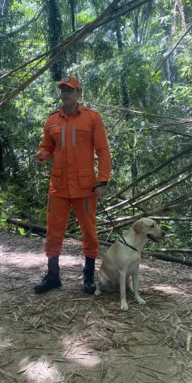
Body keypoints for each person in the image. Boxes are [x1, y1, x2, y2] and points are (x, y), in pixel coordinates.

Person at [33, 75, 111, 294]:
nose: (65, 93)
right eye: (63, 90)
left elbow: (103, 151)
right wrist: (42, 155)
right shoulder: (51, 120)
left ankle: (88, 277)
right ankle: (53, 276)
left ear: (79, 93)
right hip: (58, 186)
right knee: (53, 231)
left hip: (86, 187)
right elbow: (47, 148)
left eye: (70, 90)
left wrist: (103, 180)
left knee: (89, 231)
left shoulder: (92, 118)